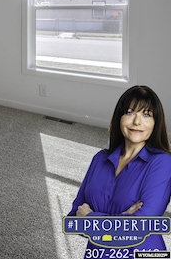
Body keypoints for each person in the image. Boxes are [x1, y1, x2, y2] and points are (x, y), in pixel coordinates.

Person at [69, 85, 171, 256]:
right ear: (119, 118)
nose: (137, 122)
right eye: (130, 112)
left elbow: (141, 227)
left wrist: (91, 218)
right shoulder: (100, 159)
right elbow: (74, 219)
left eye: (146, 114)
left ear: (156, 122)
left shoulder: (163, 163)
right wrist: (123, 218)